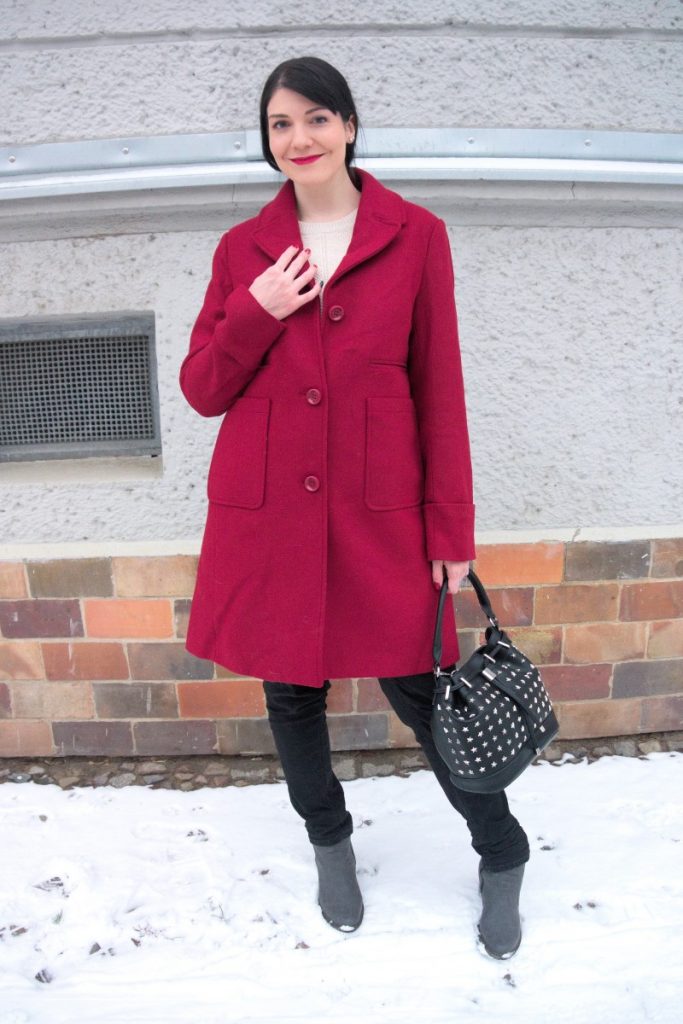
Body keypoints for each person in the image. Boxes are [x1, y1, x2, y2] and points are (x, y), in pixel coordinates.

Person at [179, 56, 529, 958]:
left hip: (381, 517)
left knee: (424, 695)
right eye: (279, 125)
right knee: (292, 698)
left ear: (349, 126)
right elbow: (201, 390)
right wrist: (255, 310)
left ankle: (500, 850)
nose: (297, 140)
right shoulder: (241, 252)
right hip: (271, 520)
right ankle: (329, 847)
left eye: (315, 119)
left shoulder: (414, 235)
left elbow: (437, 389)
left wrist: (451, 531)